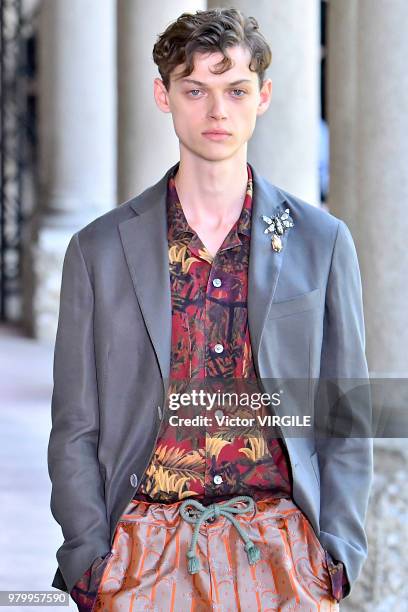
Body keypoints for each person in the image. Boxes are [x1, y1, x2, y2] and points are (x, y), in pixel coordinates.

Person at [48, 8, 373, 611]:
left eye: (236, 90)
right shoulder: (98, 249)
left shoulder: (321, 241)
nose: (217, 111)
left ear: (264, 97)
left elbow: (345, 415)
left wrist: (337, 553)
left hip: (284, 552)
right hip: (142, 551)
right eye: (194, 89)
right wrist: (89, 559)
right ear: (163, 95)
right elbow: (75, 424)